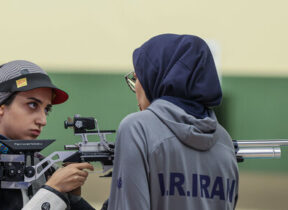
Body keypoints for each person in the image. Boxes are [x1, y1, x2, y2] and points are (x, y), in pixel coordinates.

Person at [107, 34, 239, 210]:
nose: (135, 86)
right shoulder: (224, 140)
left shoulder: (137, 128)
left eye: (137, 77)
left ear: (155, 76)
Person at [0, 60, 95, 210]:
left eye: (46, 110)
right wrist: (53, 191)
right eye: (32, 105)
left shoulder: (42, 166)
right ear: (2, 106)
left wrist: (73, 200)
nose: (42, 120)